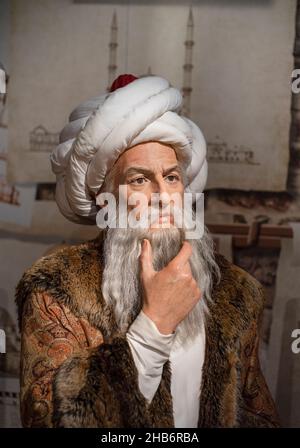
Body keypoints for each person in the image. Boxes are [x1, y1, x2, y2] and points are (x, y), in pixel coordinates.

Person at [15, 74, 280, 428]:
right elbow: (46, 422)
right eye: (139, 179)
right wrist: (154, 327)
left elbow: (261, 417)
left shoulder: (237, 292)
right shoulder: (55, 291)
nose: (161, 196)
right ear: (104, 198)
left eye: (171, 177)